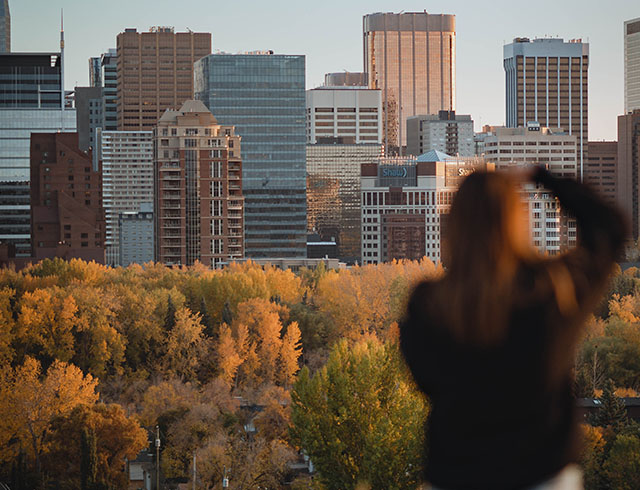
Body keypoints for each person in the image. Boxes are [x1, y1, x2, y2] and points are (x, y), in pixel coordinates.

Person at [400, 167, 627, 490]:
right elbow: (611, 229)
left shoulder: (428, 306)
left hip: (455, 475)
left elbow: (424, 379)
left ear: (454, 226)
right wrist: (544, 178)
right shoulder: (554, 292)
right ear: (519, 222)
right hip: (543, 475)